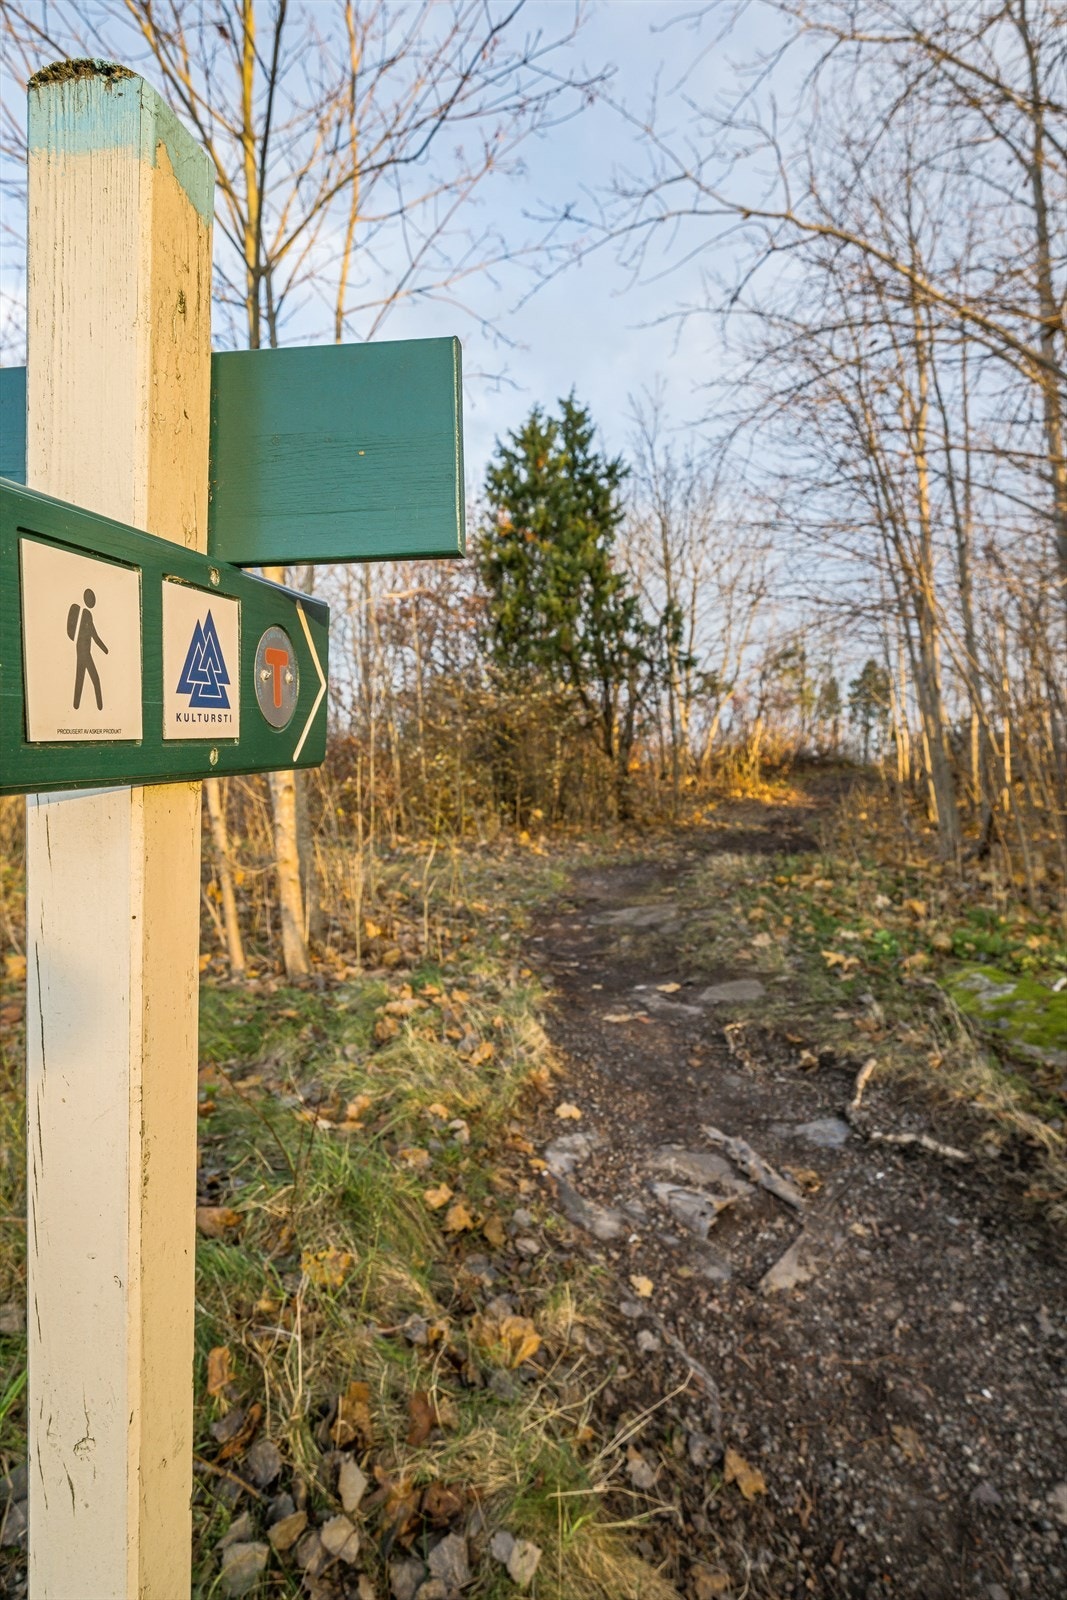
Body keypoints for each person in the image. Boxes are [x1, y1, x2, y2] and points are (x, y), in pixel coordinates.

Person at [68, 587, 108, 711]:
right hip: (83, 652)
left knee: (81, 678)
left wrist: (105, 649)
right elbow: (71, 631)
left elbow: (94, 634)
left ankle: (77, 705)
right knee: (93, 678)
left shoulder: (86, 613)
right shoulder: (80, 611)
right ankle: (97, 707)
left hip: (85, 651)